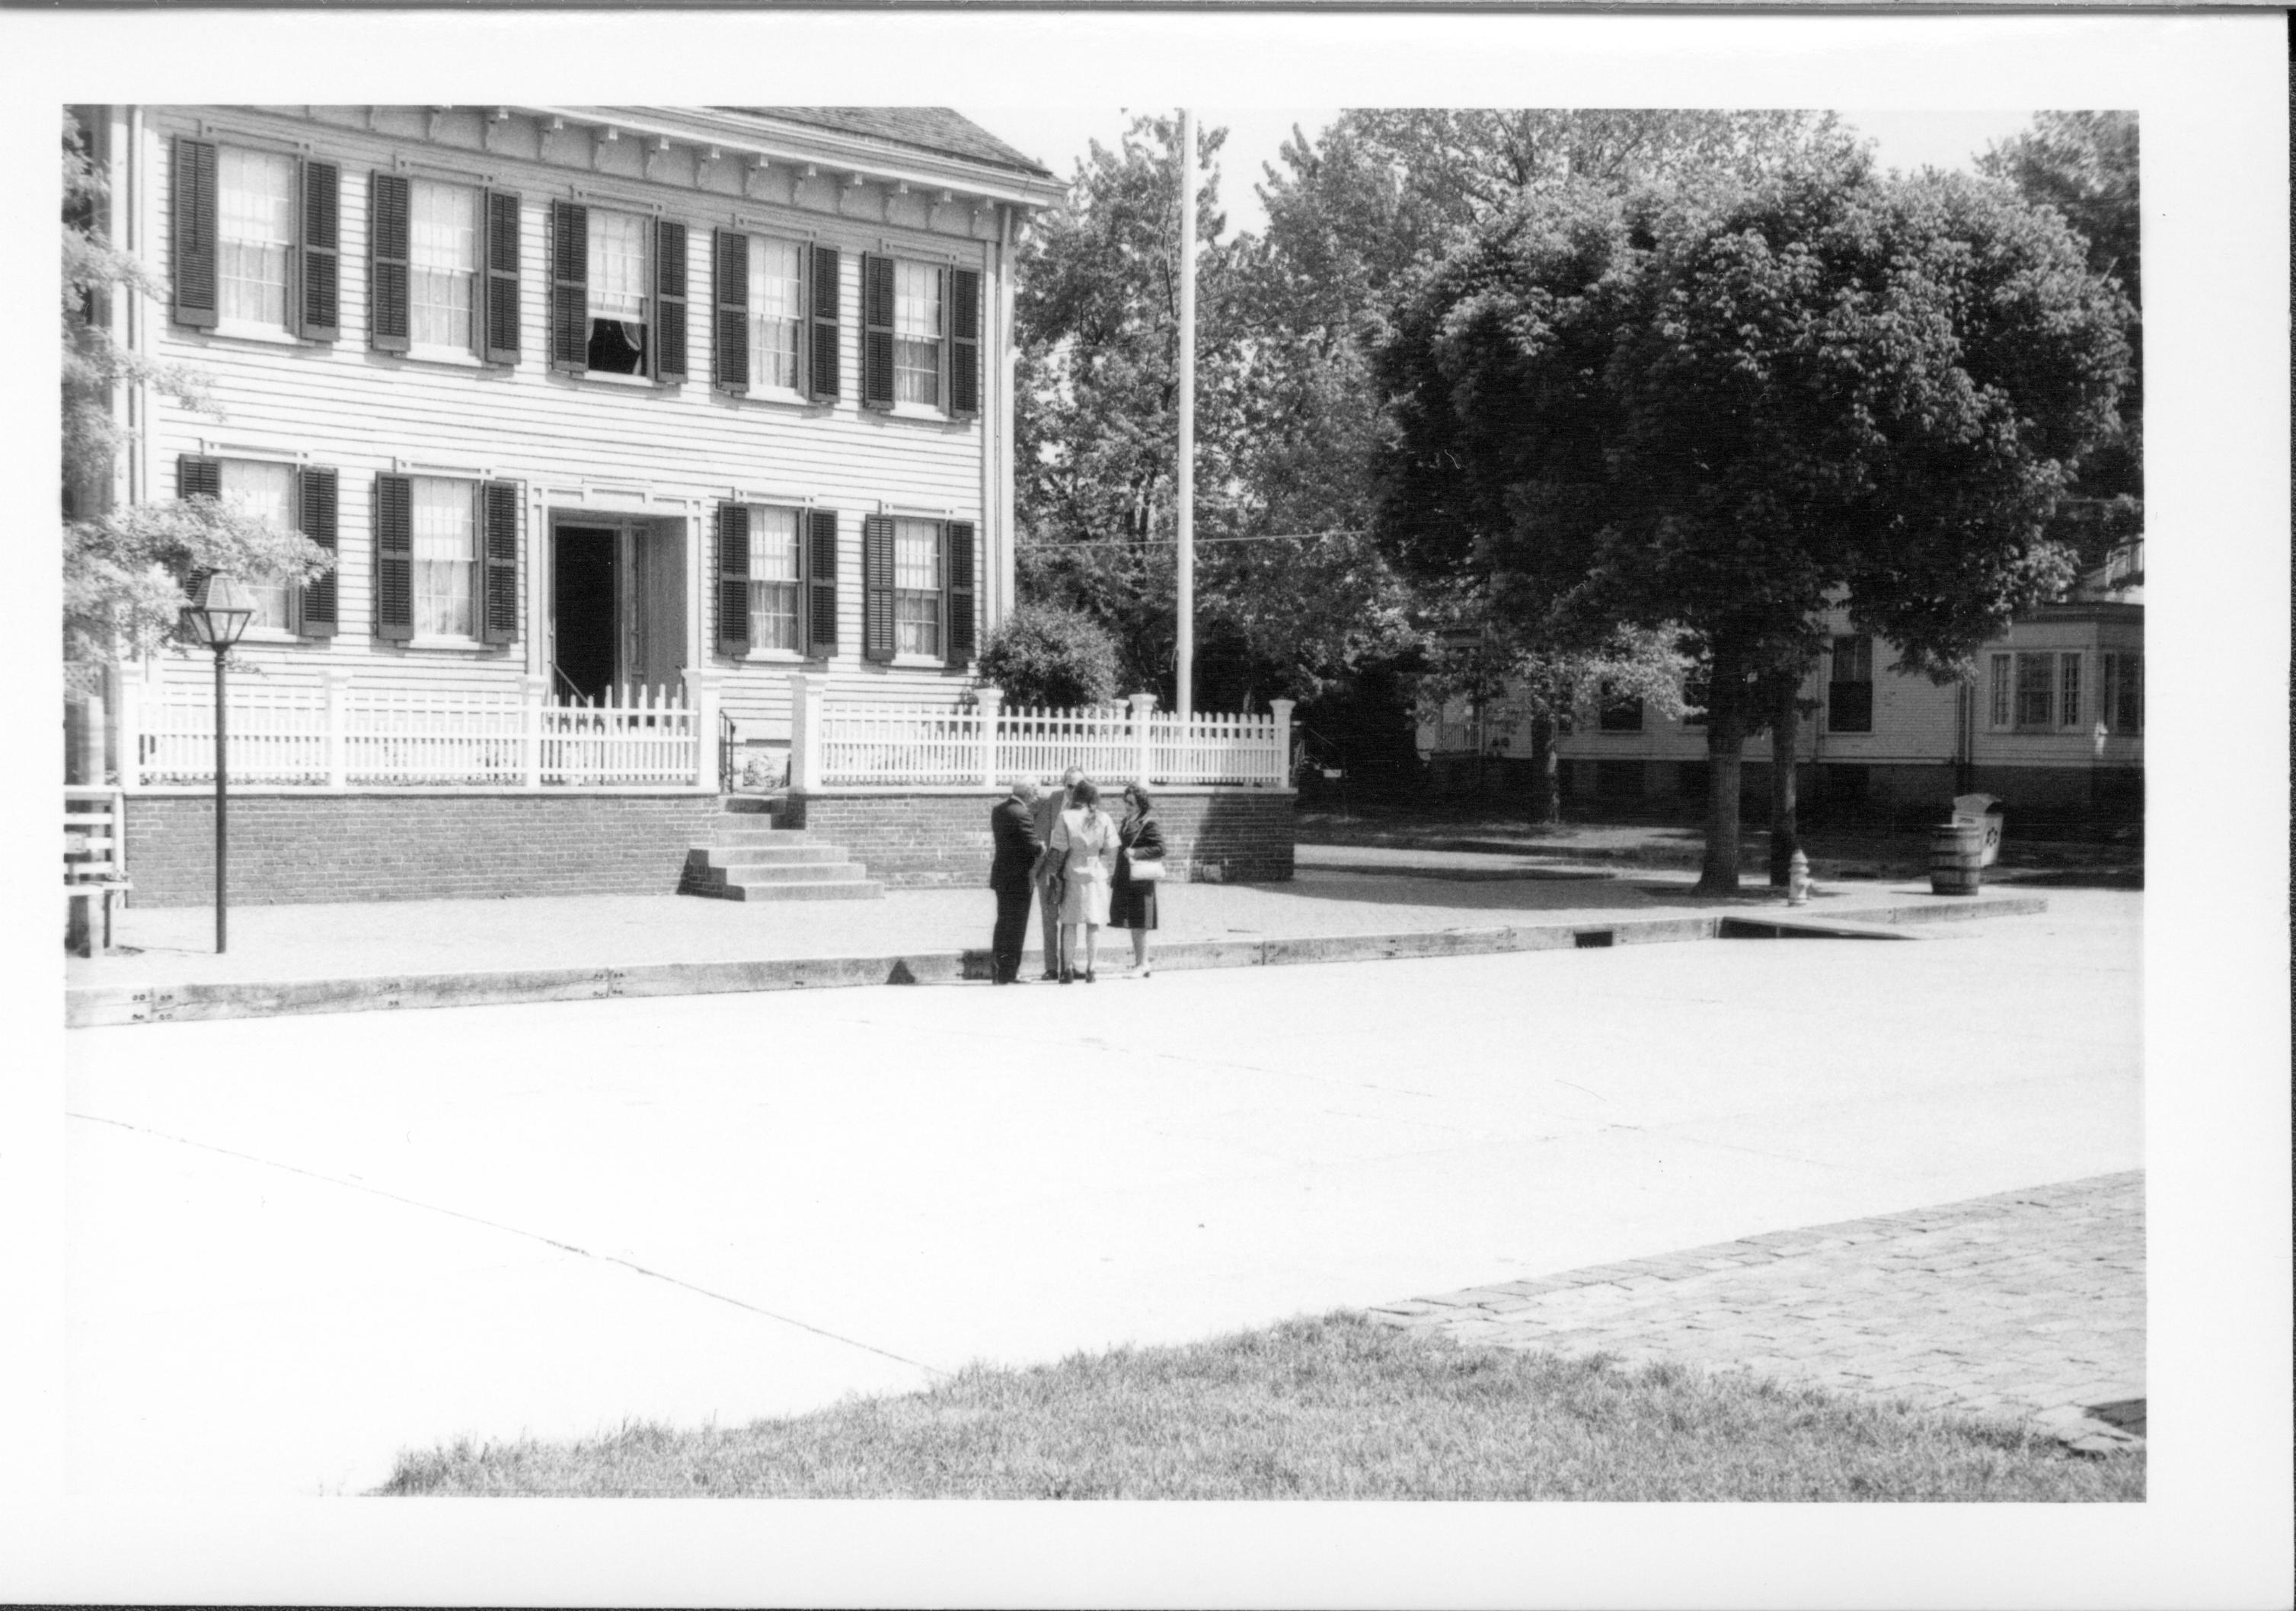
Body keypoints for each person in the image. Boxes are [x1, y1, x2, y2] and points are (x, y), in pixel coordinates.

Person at [1046, 777, 1117, 983]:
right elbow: (1111, 850)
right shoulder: (1103, 818)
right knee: (1094, 923)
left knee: (1069, 923)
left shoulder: (1066, 817)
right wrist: (1096, 851)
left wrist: (1053, 873)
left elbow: (1058, 849)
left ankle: (1067, 969)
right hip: (1096, 874)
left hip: (1072, 873)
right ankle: (1091, 969)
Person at [987, 777, 1042, 985]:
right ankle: (1011, 971)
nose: (1036, 796)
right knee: (1017, 925)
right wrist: (1042, 846)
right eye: (1035, 792)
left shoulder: (999, 810)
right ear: (1028, 793)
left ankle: (998, 969)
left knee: (1003, 922)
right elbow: (1032, 845)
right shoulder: (1022, 813)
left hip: (1002, 875)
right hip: (1019, 878)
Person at [1030, 766, 1083, 980]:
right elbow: (1040, 831)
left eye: (1080, 787)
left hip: (1072, 867)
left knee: (1070, 918)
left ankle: (1069, 965)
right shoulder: (1052, 801)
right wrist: (1036, 870)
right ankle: (1051, 967)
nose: (1075, 791)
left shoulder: (1087, 806)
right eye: (1071, 786)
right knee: (1050, 918)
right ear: (1064, 784)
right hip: (1050, 868)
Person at [1110, 782, 1166, 977]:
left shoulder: (1148, 823)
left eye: (1131, 803)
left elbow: (1160, 848)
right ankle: (1140, 963)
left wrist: (1136, 852)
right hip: (1126, 877)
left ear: (1141, 804)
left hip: (1141, 879)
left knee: (1140, 922)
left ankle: (1143, 964)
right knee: (1133, 922)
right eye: (1126, 802)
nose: (1127, 806)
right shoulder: (1127, 821)